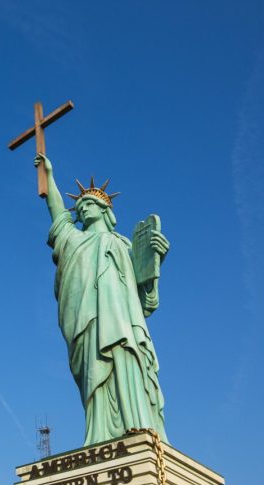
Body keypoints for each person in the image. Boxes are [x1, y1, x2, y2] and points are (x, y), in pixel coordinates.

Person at [34, 154, 170, 446]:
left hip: (122, 322)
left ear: (106, 209)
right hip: (87, 320)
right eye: (80, 206)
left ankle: (138, 425)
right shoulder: (72, 239)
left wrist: (155, 261)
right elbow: (57, 211)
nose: (83, 208)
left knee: (126, 362)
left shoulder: (123, 244)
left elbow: (145, 300)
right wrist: (49, 174)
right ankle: (100, 434)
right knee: (95, 370)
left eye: (89, 203)